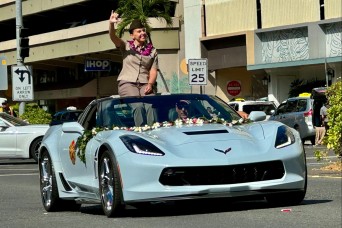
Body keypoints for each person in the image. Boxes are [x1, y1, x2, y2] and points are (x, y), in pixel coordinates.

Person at [109, 11, 158, 126]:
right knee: (138, 106)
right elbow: (113, 37)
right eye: (139, 31)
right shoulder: (126, 46)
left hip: (145, 84)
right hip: (127, 83)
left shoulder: (153, 51)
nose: (142, 33)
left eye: (144, 30)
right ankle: (140, 132)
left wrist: (150, 84)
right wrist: (111, 24)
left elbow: (153, 70)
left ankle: (154, 131)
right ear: (132, 35)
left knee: (151, 106)